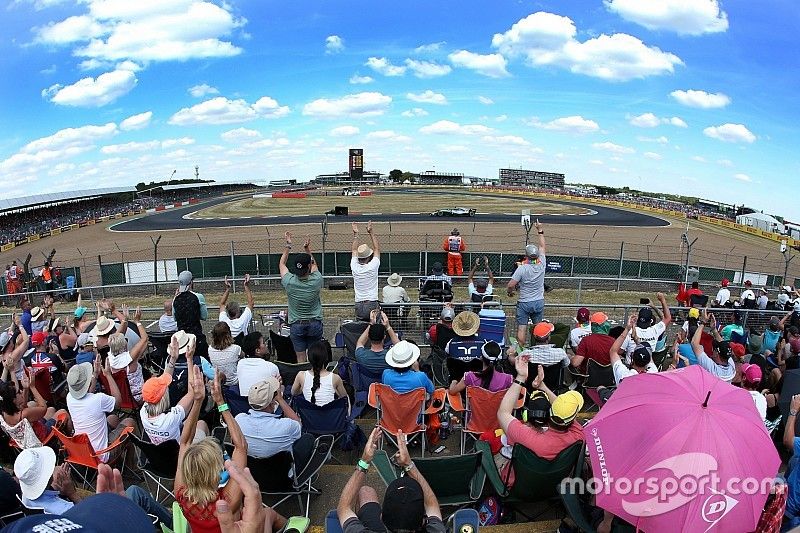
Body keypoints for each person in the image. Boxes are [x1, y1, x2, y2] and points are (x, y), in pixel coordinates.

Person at [174, 363, 273, 533]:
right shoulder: (227, 501)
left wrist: (198, 401)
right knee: (269, 514)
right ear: (215, 471)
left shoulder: (181, 494)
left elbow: (185, 443)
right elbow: (241, 446)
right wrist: (220, 402)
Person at [13, 448, 173, 527]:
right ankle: (175, 525)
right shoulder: (62, 508)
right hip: (105, 523)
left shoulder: (26, 497)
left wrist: (54, 489)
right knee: (136, 492)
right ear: (48, 475)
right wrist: (72, 493)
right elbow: (90, 519)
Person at [338, 427, 446, 533]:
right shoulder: (436, 530)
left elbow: (344, 508)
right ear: (423, 522)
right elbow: (432, 504)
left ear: (381, 518)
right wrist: (408, 464)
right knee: (366, 491)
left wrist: (364, 461)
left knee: (365, 490)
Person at [497, 358, 584, 477]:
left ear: (550, 412)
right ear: (574, 418)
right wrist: (542, 387)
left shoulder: (525, 435)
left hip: (519, 484)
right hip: (555, 483)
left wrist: (521, 378)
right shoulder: (578, 436)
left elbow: (503, 412)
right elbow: (564, 413)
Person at [141, 334, 209, 445]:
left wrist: (173, 359)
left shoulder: (143, 412)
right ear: (163, 398)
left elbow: (165, 377)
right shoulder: (172, 417)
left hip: (160, 449)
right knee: (201, 424)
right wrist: (189, 359)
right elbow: (191, 393)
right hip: (180, 450)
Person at [66, 359, 136, 463]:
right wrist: (108, 375)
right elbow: (118, 401)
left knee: (113, 418)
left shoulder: (69, 397)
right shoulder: (98, 399)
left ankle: (120, 457)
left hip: (83, 452)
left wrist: (95, 375)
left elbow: (87, 394)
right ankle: (130, 465)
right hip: (101, 455)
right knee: (130, 422)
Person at [279, 231, 323, 363]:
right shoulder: (316, 280)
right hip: (314, 323)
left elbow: (282, 264)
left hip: (296, 325)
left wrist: (288, 245)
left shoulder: (289, 281)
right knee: (314, 357)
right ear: (308, 266)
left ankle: (303, 375)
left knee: (300, 358)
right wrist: (307, 249)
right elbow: (314, 265)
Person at [235, 376, 302, 459]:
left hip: (248, 466)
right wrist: (280, 399)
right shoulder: (286, 426)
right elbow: (298, 424)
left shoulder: (239, 420)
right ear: (272, 402)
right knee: (307, 439)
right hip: (280, 467)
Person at [0, 369, 66, 449]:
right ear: (13, 400)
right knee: (63, 412)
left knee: (51, 410)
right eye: (19, 392)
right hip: (41, 438)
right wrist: (32, 387)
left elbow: (23, 406)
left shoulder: (5, 412)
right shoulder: (25, 414)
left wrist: (26, 388)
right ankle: (72, 438)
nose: (21, 391)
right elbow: (43, 408)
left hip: (26, 439)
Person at [507, 219, 547, 344]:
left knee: (522, 328)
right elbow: (542, 246)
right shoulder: (542, 263)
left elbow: (511, 285)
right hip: (538, 301)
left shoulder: (522, 268)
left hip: (524, 302)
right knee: (538, 328)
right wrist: (540, 230)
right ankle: (537, 348)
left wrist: (510, 292)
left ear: (526, 256)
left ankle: (521, 349)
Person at [107, 307, 148, 403]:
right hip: (138, 397)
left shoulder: (110, 358)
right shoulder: (131, 360)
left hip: (121, 396)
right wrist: (137, 322)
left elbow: (117, 337)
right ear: (124, 345)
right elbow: (145, 339)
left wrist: (125, 320)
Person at [292, 340, 349, 408]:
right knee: (347, 398)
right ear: (326, 358)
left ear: (308, 358)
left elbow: (294, 393)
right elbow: (344, 399)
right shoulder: (335, 378)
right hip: (331, 414)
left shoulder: (301, 375)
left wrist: (303, 388)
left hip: (308, 414)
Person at [608, 316, 657, 385]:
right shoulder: (654, 372)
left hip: (624, 391)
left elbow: (613, 351)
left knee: (601, 388)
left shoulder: (624, 374)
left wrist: (627, 329)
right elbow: (649, 355)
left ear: (632, 356)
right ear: (648, 361)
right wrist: (636, 340)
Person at [690, 310, 736, 382]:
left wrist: (703, 323)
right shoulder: (731, 366)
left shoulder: (712, 369)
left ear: (717, 353)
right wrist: (714, 330)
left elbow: (694, 343)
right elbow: (722, 344)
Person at [173, 270, 209, 358]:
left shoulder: (175, 299)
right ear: (191, 282)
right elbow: (204, 316)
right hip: (196, 336)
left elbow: (175, 318)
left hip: (182, 338)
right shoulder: (198, 297)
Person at [351, 221, 381, 321]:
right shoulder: (373, 266)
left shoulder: (354, 266)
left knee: (360, 327)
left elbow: (354, 250)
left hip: (359, 303)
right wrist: (371, 232)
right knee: (374, 327)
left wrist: (356, 235)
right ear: (369, 256)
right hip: (371, 302)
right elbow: (377, 249)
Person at [355, 309, 401, 374]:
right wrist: (388, 326)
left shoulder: (361, 355)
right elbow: (400, 347)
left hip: (367, 380)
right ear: (384, 337)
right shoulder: (392, 357)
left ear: (368, 337)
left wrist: (371, 323)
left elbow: (360, 342)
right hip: (387, 380)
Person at [237, 331, 280, 396]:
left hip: (243, 401)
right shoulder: (271, 367)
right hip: (264, 401)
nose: (266, 345)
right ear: (257, 350)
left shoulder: (240, 363)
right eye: (263, 343)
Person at [218, 274, 255, 341]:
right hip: (242, 346)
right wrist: (246, 286)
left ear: (227, 312)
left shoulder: (224, 321)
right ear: (238, 312)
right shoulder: (242, 321)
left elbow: (222, 304)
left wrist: (227, 289)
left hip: (228, 346)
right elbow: (251, 303)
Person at [208, 322, 243, 387]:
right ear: (229, 334)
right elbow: (243, 356)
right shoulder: (236, 348)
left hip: (219, 382)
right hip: (235, 382)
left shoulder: (210, 349)